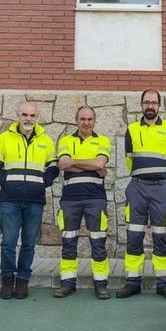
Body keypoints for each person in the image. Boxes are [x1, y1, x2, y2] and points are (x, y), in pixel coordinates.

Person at [0, 102, 58, 299]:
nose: (28, 118)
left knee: (29, 243)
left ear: (37, 118)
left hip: (35, 200)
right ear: (18, 116)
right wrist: (8, 183)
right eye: (25, 115)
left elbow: (53, 167)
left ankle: (22, 280)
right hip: (10, 200)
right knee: (8, 242)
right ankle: (7, 278)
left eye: (32, 115)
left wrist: (41, 183)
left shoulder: (46, 140)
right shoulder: (4, 138)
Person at [119, 89, 166, 300]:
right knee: (134, 235)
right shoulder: (132, 129)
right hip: (137, 187)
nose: (150, 106)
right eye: (146, 102)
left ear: (159, 105)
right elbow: (129, 159)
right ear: (141, 105)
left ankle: (163, 283)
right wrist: (141, 176)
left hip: (161, 188)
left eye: (153, 102)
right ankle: (132, 282)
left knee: (161, 235)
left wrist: (162, 178)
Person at [53, 105, 112, 299]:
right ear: (76, 121)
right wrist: (92, 166)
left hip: (96, 199)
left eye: (89, 119)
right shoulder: (65, 140)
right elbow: (63, 164)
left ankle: (101, 285)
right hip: (70, 200)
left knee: (98, 243)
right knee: (68, 242)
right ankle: (68, 283)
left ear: (94, 121)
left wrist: (75, 162)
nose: (86, 123)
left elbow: (100, 164)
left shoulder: (103, 140)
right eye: (82, 119)